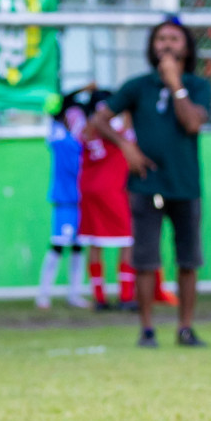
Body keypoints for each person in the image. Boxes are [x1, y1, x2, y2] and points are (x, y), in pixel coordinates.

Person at [91, 19, 211, 348]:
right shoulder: (137, 86)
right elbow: (98, 119)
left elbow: (192, 124)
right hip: (146, 184)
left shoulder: (197, 85)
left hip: (185, 185)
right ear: (152, 46)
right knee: (145, 260)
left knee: (188, 260)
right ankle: (146, 329)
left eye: (173, 39)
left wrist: (176, 85)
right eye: (160, 39)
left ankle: (185, 328)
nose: (166, 45)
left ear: (186, 46)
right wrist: (125, 146)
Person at [77, 90, 137, 311]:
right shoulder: (116, 132)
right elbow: (128, 137)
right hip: (113, 189)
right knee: (128, 239)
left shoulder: (85, 130)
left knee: (94, 241)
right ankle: (126, 295)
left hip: (88, 189)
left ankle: (99, 297)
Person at [36, 91, 87, 310]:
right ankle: (44, 294)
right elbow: (60, 104)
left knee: (78, 248)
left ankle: (75, 293)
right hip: (64, 202)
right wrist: (84, 88)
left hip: (82, 201)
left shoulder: (80, 139)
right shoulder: (56, 135)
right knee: (58, 245)